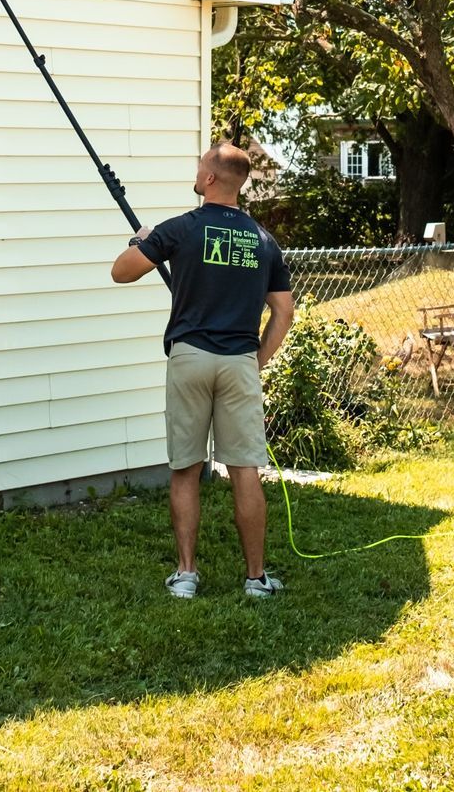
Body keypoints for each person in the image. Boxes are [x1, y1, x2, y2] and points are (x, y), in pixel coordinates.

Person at [111, 142, 295, 599]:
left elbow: (122, 272)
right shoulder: (262, 239)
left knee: (186, 469)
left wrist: (140, 240)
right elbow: (283, 311)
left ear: (211, 178)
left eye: (200, 166)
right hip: (239, 364)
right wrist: (258, 360)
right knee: (245, 469)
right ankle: (255, 579)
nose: (196, 171)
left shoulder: (181, 229)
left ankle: (187, 574)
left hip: (190, 358)